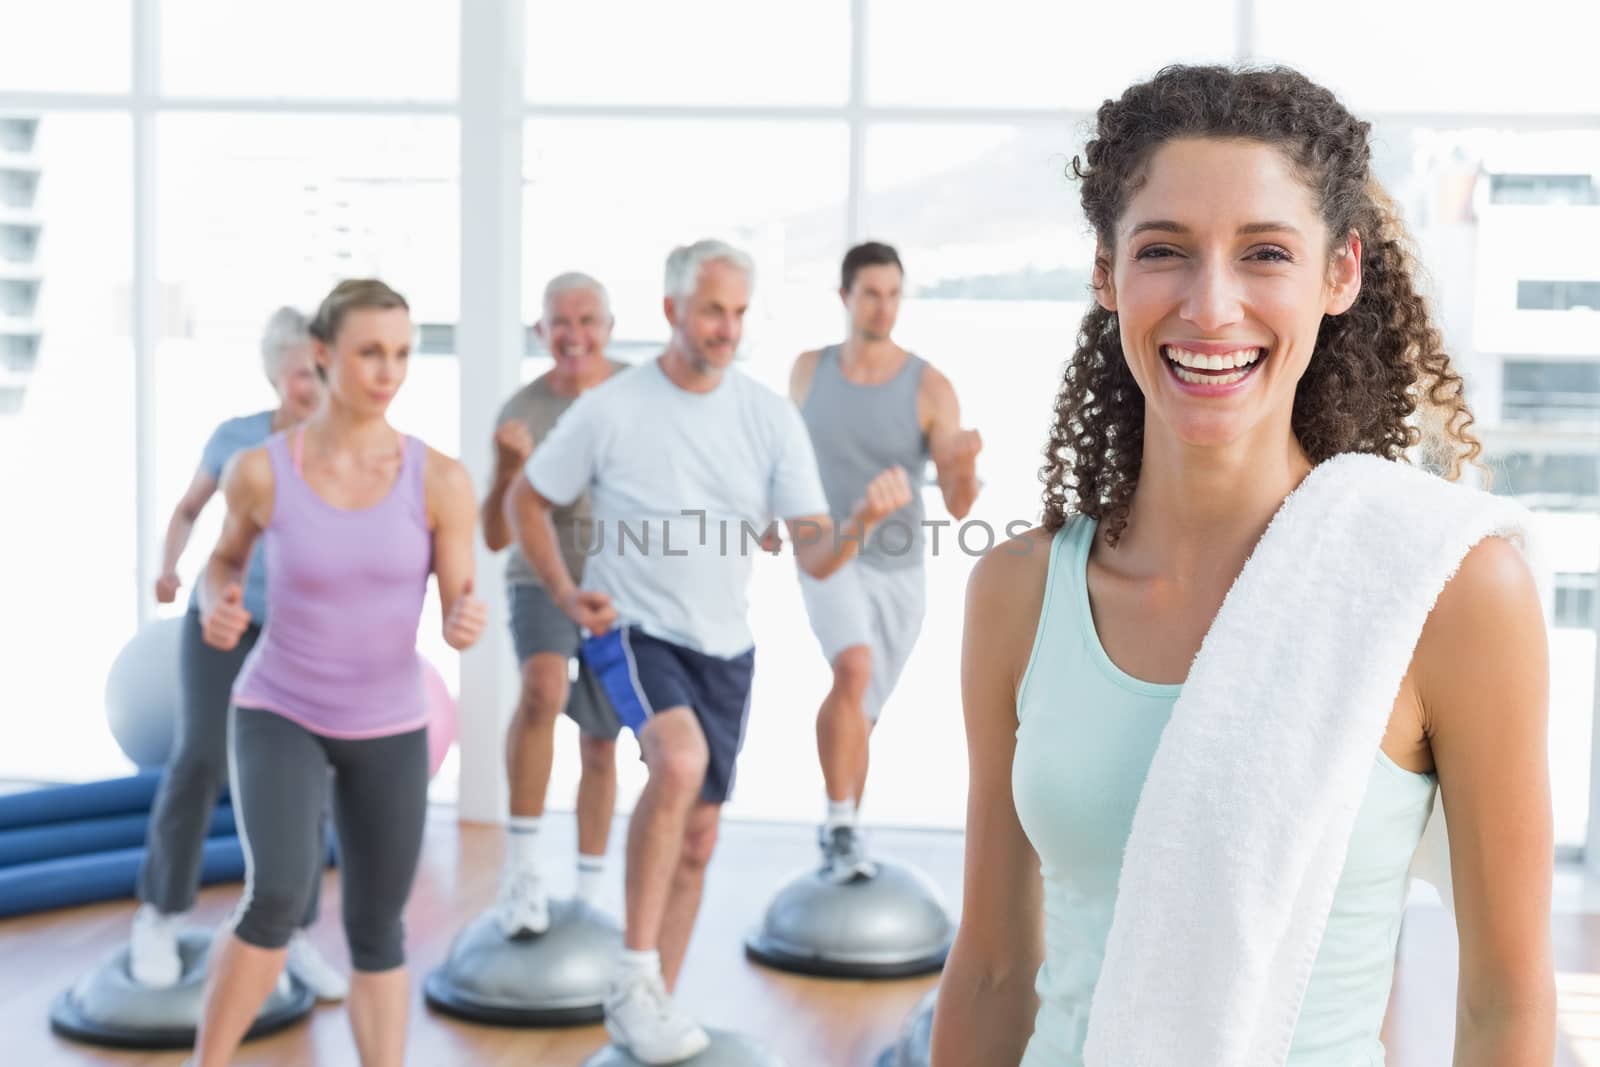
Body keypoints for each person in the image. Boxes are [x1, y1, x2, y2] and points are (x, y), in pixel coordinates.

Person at [933, 65, 1554, 1065]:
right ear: (1107, 274)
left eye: (1265, 252)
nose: (1210, 306)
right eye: (1163, 251)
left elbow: (1502, 1003)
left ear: (1339, 272)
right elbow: (996, 967)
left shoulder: (1445, 591)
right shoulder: (1017, 592)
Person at [508, 239, 912, 1064]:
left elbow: (814, 555)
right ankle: (631, 975)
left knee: (697, 839)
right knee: (678, 761)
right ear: (671, 313)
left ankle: (653, 1007)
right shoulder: (613, 407)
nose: (725, 327)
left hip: (726, 647)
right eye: (710, 310)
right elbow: (527, 499)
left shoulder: (766, 416)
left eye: (736, 311)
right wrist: (560, 590)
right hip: (632, 629)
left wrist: (862, 521)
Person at [191, 280, 487, 1067]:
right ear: (323, 355)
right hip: (279, 705)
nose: (387, 370)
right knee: (278, 893)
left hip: (389, 720)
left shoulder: (441, 479)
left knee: (377, 927)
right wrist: (219, 600)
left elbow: (461, 595)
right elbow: (222, 563)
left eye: (399, 353)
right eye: (369, 352)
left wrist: (464, 617)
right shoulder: (261, 469)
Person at [133, 307, 345, 1000]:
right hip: (220, 619)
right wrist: (168, 568)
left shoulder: (343, 447)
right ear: (276, 375)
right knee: (198, 757)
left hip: (300, 631)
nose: (313, 386)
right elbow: (191, 508)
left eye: (321, 372)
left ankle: (297, 932)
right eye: (300, 375)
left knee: (307, 774)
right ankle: (159, 913)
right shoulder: (237, 439)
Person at [790, 241, 982, 882]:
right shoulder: (807, 370)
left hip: (898, 569)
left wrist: (962, 465)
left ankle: (841, 829)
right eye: (871, 293)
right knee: (853, 668)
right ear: (845, 296)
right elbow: (782, 462)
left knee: (862, 708)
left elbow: (957, 506)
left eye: (894, 293)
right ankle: (841, 822)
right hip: (828, 551)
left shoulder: (930, 386)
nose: (884, 306)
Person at [480, 272, 628, 935]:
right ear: (540, 330)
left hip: (620, 582)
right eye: (560, 322)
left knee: (602, 740)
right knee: (542, 690)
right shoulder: (521, 410)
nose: (575, 335)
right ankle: (523, 872)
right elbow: (494, 533)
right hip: (539, 577)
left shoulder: (641, 395)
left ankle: (593, 888)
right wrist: (509, 468)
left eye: (588, 320)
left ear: (609, 326)